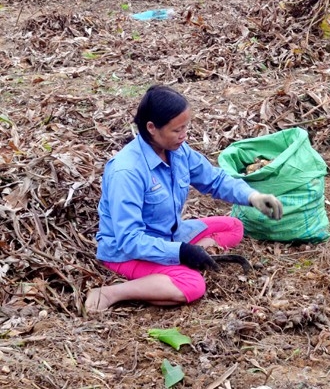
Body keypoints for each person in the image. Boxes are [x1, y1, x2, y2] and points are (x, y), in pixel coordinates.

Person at [85, 85, 283, 313]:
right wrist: (180, 252)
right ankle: (112, 292)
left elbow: (214, 180)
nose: (184, 135)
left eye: (185, 127)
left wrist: (253, 197)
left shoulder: (178, 151)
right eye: (176, 130)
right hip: (127, 252)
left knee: (234, 227)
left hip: (169, 234)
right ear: (151, 128)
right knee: (192, 285)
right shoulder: (127, 171)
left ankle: (179, 262)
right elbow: (129, 240)